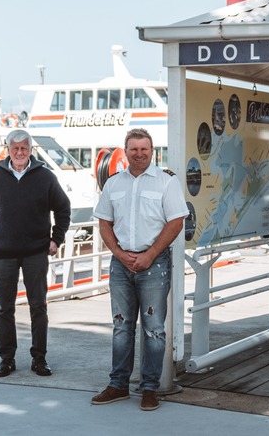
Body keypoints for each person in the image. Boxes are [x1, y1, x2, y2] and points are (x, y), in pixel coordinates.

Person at [91, 128, 189, 411]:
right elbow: (104, 223)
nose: (139, 154)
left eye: (144, 149)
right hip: (121, 264)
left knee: (154, 330)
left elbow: (175, 223)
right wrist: (120, 255)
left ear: (152, 150)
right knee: (121, 326)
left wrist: (150, 255)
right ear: (126, 151)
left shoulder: (166, 183)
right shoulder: (113, 184)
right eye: (133, 149)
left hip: (154, 264)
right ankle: (118, 384)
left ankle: (149, 388)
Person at [0, 129, 71, 378]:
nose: (19, 152)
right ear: (8, 149)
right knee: (4, 309)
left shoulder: (46, 177)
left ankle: (39, 359)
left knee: (38, 306)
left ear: (31, 150)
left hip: (36, 252)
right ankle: (6, 359)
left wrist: (56, 239)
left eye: (24, 148)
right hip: (3, 253)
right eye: (15, 148)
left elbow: (63, 209)